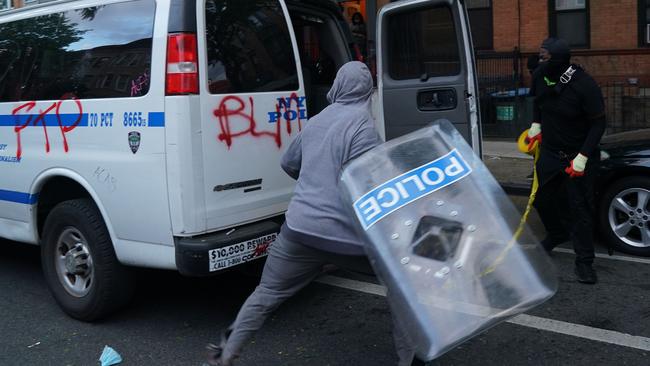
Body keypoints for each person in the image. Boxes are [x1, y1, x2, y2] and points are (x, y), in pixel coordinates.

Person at [205, 61, 424, 366]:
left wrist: (315, 185)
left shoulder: (316, 120)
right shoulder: (364, 127)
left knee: (266, 293)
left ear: (337, 86)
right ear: (368, 91)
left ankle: (224, 354)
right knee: (402, 283)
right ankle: (410, 360)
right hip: (345, 238)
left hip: (298, 231)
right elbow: (369, 186)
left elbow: (288, 162)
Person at [526, 38, 606, 284]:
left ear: (559, 59)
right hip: (550, 153)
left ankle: (584, 262)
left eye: (544, 56)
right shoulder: (540, 75)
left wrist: (582, 157)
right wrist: (536, 124)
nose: (540, 61)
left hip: (577, 156)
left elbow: (598, 123)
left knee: (580, 209)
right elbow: (538, 102)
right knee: (542, 199)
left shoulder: (584, 84)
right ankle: (557, 233)